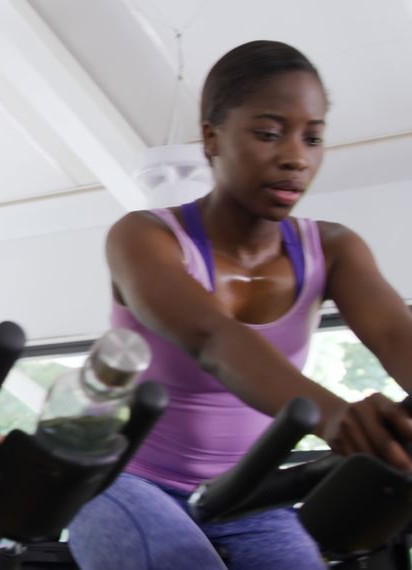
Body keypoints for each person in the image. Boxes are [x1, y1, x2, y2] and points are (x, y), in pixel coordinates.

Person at [66, 40, 412, 570]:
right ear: (211, 137)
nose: (296, 157)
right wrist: (334, 415)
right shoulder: (143, 237)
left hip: (249, 491)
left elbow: (396, 334)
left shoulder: (335, 249)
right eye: (269, 133)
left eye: (313, 137)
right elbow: (212, 339)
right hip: (119, 477)